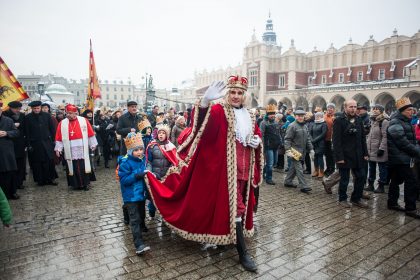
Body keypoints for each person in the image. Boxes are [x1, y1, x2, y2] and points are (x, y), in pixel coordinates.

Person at [144, 76, 263, 272]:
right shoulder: (219, 111)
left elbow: (255, 134)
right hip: (225, 172)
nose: (235, 96)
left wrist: (257, 141)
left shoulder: (250, 116)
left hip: (244, 171)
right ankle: (243, 254)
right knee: (237, 210)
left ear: (244, 95)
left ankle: (226, 238)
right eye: (232, 92)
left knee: (234, 207)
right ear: (227, 94)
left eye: (239, 93)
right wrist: (206, 102)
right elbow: (201, 128)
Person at [387, 98, 420, 218]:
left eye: (413, 109)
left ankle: (392, 203)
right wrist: (417, 152)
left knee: (396, 180)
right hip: (400, 158)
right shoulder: (396, 122)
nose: (412, 112)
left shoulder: (406, 121)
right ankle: (410, 208)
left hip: (402, 157)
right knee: (411, 181)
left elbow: (412, 141)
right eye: (409, 110)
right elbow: (403, 143)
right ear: (402, 111)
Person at [118, 132, 151, 254]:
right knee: (135, 219)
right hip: (130, 196)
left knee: (142, 214)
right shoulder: (125, 162)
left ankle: (140, 224)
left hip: (141, 195)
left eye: (141, 149)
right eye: (136, 150)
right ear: (130, 150)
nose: (139, 152)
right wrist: (137, 175)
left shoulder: (142, 160)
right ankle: (139, 244)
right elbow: (124, 180)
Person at [333, 99, 369, 208]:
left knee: (361, 177)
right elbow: (336, 141)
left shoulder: (358, 120)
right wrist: (339, 157)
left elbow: (363, 138)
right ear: (345, 108)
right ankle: (342, 199)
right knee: (344, 179)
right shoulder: (339, 121)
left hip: (358, 155)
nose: (353, 109)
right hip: (345, 155)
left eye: (355, 107)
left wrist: (365, 153)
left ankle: (356, 198)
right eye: (351, 107)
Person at [55, 104, 98, 191]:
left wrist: (93, 144)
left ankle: (86, 183)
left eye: (70, 113)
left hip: (82, 147)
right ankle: (75, 184)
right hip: (69, 148)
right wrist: (58, 148)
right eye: (67, 113)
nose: (68, 115)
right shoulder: (62, 123)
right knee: (73, 166)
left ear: (75, 113)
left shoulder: (83, 120)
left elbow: (90, 133)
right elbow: (59, 137)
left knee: (83, 166)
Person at [24, 100, 58, 186]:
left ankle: (51, 179)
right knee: (37, 163)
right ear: (32, 108)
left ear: (40, 108)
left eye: (38, 108)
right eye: (34, 108)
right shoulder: (28, 118)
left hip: (47, 142)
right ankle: (40, 180)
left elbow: (52, 129)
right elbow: (26, 132)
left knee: (49, 161)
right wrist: (28, 144)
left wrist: (54, 141)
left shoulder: (47, 116)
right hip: (35, 144)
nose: (36, 110)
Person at [283, 108, 314, 193]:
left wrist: (311, 149)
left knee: (294, 167)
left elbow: (308, 139)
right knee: (300, 168)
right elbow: (287, 139)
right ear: (295, 116)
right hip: (294, 151)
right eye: (298, 116)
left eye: (302, 116)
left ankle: (288, 181)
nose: (300, 117)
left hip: (303, 151)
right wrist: (288, 150)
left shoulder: (305, 126)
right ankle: (304, 185)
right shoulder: (292, 126)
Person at [366, 104, 389, 193]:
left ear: (381, 111)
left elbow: (385, 136)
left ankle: (381, 186)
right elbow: (370, 136)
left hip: (379, 149)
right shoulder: (372, 120)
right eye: (374, 109)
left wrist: (382, 148)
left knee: (382, 168)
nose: (375, 110)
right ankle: (370, 185)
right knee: (371, 168)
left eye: (377, 109)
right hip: (371, 149)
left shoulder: (384, 121)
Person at [3, 101, 26, 189]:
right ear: (10, 108)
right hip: (8, 143)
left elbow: (25, 129)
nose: (18, 110)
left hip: (20, 143)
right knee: (11, 164)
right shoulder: (4, 115)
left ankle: (19, 182)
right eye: (16, 109)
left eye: (19, 109)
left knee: (20, 164)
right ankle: (12, 183)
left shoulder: (22, 115)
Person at [0, 101, 19, 199]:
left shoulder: (8, 120)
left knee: (9, 173)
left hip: (6, 152)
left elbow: (16, 133)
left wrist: (7, 133)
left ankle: (11, 192)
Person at [260, 104, 282, 185]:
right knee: (270, 163)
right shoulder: (263, 123)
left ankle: (263, 172)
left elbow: (278, 133)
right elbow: (261, 134)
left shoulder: (276, 122)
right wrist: (262, 146)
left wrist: (280, 141)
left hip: (275, 146)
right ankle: (269, 178)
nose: (272, 115)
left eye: (273, 113)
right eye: (270, 114)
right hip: (268, 146)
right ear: (267, 114)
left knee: (274, 162)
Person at [310, 112, 327, 178]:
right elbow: (310, 132)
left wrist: (314, 140)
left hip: (320, 143)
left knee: (320, 157)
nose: (317, 117)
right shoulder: (314, 123)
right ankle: (316, 170)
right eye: (316, 116)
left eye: (319, 116)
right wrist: (311, 139)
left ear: (321, 116)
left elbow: (323, 134)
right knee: (315, 157)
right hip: (314, 143)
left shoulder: (324, 124)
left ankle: (321, 171)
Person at [324, 103, 336, 176]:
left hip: (332, 139)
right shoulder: (324, 116)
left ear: (334, 109)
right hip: (325, 139)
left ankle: (332, 169)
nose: (330, 109)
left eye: (331, 108)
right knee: (327, 155)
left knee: (332, 155)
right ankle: (328, 168)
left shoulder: (335, 117)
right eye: (329, 107)